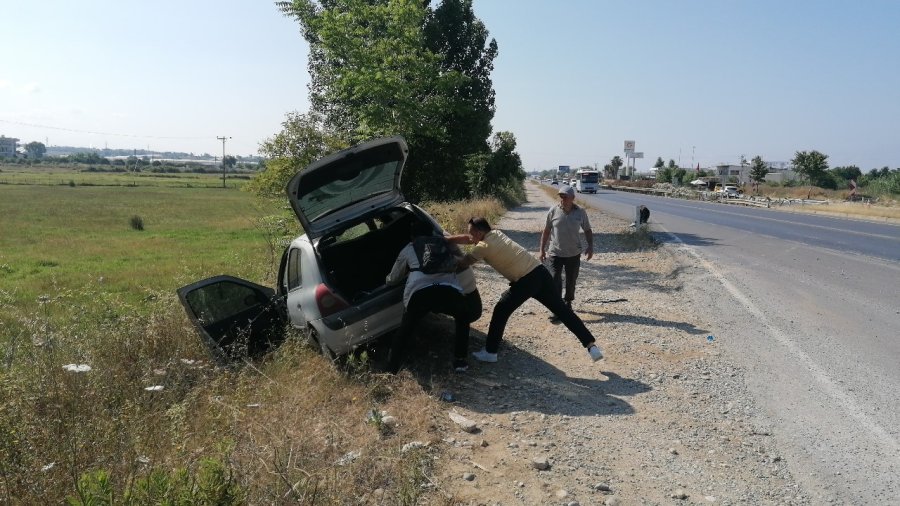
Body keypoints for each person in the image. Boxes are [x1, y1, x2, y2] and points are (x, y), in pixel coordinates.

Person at [448, 217, 604, 364]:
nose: (470, 235)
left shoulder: (483, 247)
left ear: (479, 233)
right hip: (540, 272)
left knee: (501, 310)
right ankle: (591, 345)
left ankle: (490, 352)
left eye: (471, 232)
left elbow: (463, 263)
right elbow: (469, 239)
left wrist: (448, 255)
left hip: (525, 281)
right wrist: (447, 239)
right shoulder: (496, 234)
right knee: (563, 311)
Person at [385, 221, 471, 373]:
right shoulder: (444, 244)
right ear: (432, 233)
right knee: (463, 318)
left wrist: (388, 280)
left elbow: (394, 278)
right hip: (449, 290)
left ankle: (392, 368)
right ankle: (460, 361)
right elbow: (460, 261)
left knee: (405, 330)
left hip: (420, 294)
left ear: (412, 237)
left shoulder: (409, 248)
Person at [539, 184, 593, 323]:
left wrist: (590, 246)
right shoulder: (553, 211)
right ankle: (557, 308)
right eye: (560, 196)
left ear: (572, 198)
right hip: (555, 252)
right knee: (555, 279)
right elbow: (546, 231)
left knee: (571, 280)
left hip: (573, 253)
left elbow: (587, 230)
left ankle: (568, 302)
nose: (562, 199)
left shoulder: (580, 212)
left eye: (565, 196)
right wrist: (542, 250)